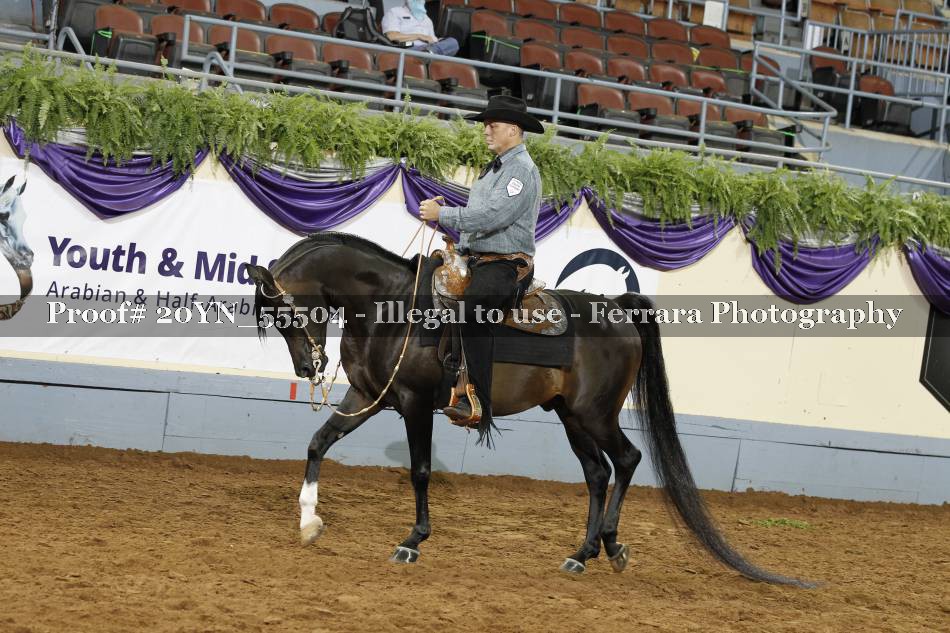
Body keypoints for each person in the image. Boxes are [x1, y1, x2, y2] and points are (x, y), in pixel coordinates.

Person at [418, 95, 544, 437]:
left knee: (473, 310)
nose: (486, 131)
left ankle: (477, 401)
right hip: (478, 258)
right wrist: (459, 245)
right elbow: (481, 218)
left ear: (513, 130)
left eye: (493, 125)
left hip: (506, 264)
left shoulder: (520, 170)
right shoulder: (496, 168)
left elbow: (493, 216)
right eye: (486, 125)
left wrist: (443, 215)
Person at [381, 0, 460, 57]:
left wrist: (438, 41)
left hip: (429, 47)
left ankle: (428, 53)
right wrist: (419, 36)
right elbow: (391, 36)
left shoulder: (427, 19)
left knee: (453, 42)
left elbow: (431, 39)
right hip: (408, 47)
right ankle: (427, 55)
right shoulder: (394, 12)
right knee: (430, 50)